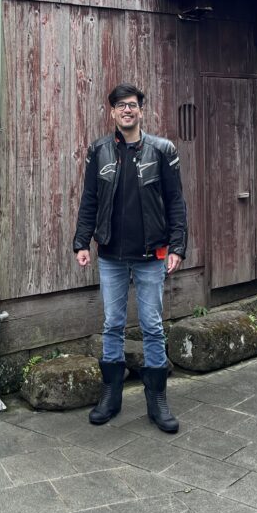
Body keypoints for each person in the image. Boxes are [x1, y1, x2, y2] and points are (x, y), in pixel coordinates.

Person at [73, 83, 187, 433]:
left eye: (133, 105)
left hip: (152, 255)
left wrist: (178, 246)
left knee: (152, 326)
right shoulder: (99, 151)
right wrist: (82, 241)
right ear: (112, 112)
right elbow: (90, 199)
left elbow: (176, 202)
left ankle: (157, 400)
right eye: (120, 105)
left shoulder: (163, 150)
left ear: (141, 110)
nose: (127, 110)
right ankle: (112, 396)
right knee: (112, 325)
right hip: (111, 255)